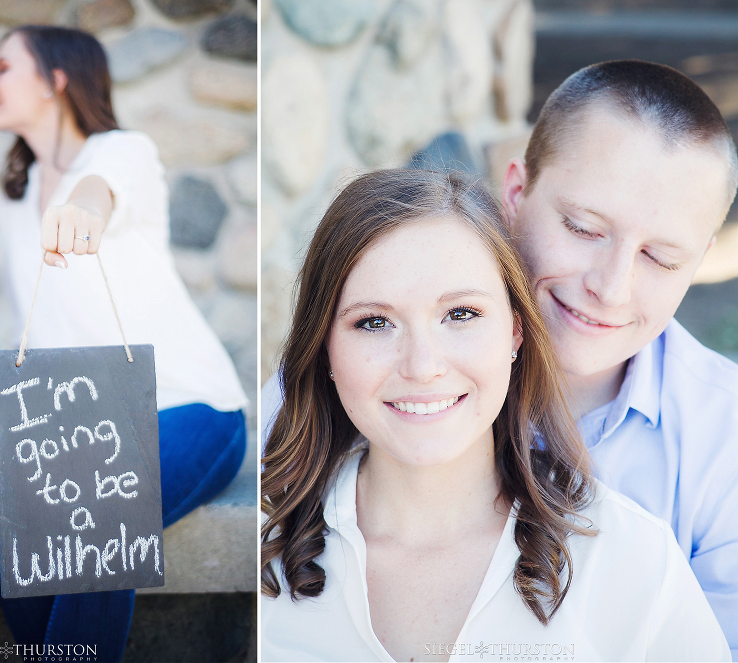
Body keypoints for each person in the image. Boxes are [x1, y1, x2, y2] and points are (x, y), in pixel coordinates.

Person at [261, 60, 738, 656]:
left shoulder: (714, 454)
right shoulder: (337, 398)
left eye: (662, 258)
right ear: (516, 192)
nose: (610, 288)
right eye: (585, 229)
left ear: (700, 260)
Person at [0, 25, 249, 661]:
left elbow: (99, 190)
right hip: (81, 426)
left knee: (97, 513)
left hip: (189, 407)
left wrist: (82, 215)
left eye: (4, 66)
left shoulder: (122, 151)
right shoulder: (12, 202)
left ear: (55, 81)